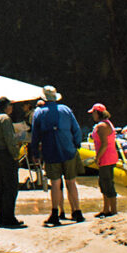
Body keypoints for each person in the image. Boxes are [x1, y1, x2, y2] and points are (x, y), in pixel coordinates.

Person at [30, 84, 84, 225]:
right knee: (71, 182)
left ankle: (55, 213)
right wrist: (76, 144)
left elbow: (35, 135)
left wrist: (35, 152)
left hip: (51, 151)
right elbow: (76, 130)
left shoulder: (39, 113)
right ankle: (77, 212)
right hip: (68, 150)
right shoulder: (66, 110)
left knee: (55, 183)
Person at [0, 96, 25, 228]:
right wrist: (15, 155)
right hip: (6, 154)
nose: (12, 108)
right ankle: (9, 217)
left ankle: (0, 217)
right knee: (11, 186)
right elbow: (9, 139)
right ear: (7, 107)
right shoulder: (5, 119)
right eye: (11, 106)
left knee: (0, 186)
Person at [88, 103, 121, 217]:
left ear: (97, 113)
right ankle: (106, 209)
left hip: (106, 158)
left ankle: (113, 210)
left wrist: (97, 158)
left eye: (93, 113)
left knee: (107, 184)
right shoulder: (107, 124)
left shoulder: (102, 126)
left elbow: (104, 144)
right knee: (103, 183)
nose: (92, 115)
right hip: (109, 157)